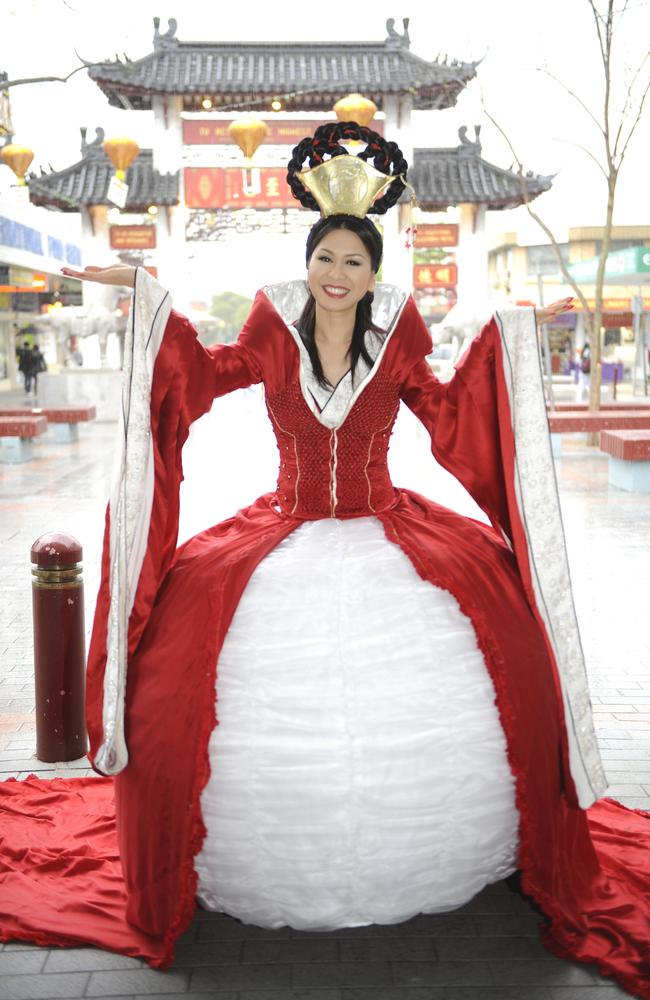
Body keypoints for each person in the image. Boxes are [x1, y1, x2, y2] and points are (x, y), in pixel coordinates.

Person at [1, 123, 649, 998]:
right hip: (285, 527)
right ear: (309, 262)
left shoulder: (399, 330)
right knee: (173, 696)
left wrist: (512, 338)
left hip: (392, 526)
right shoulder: (272, 323)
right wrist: (148, 296)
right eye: (326, 258)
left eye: (353, 262)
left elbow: (448, 411)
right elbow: (204, 370)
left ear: (374, 273)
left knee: (515, 664)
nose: (337, 274)